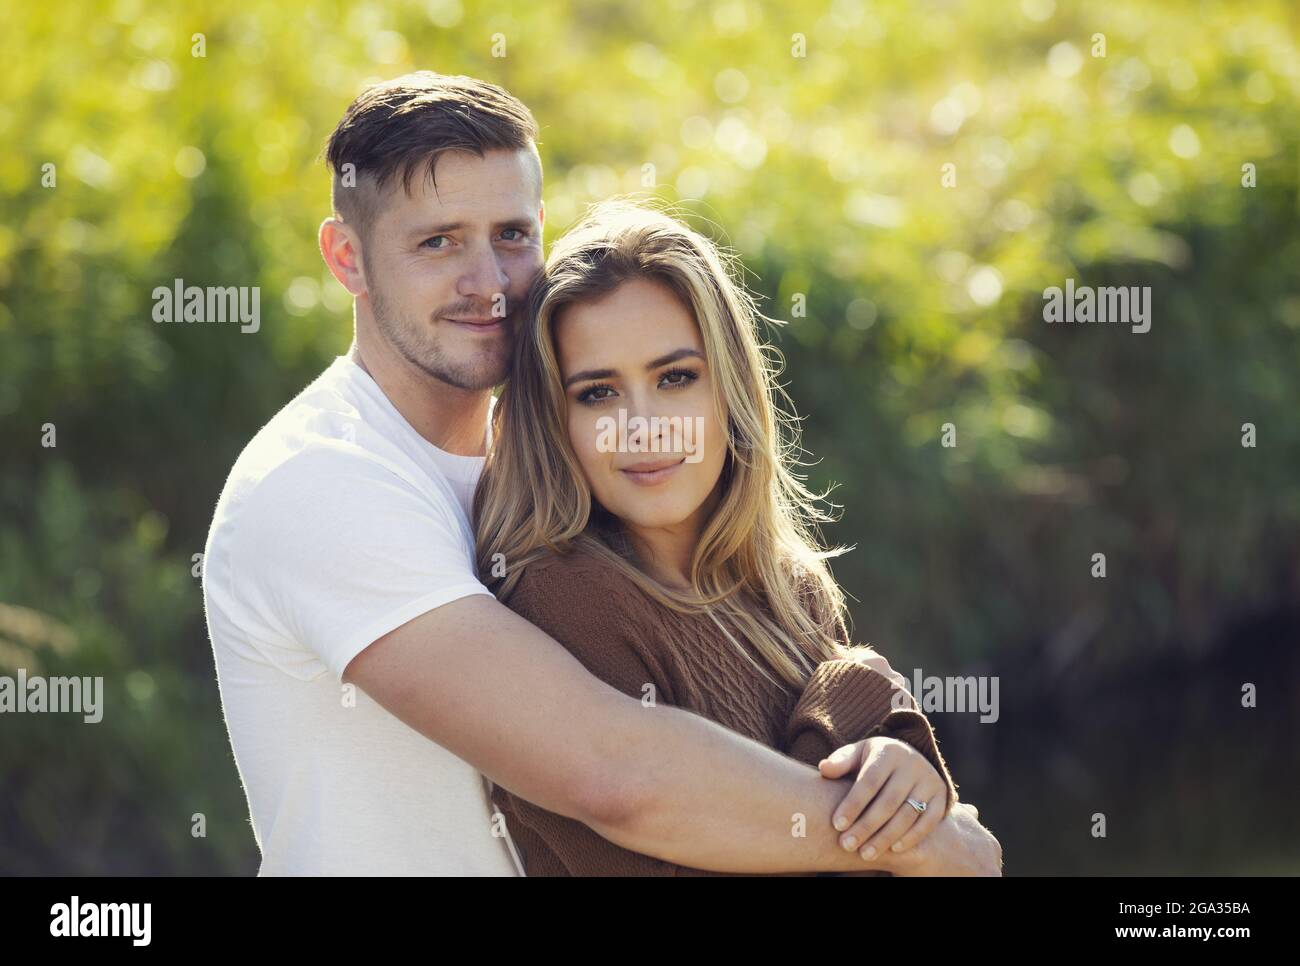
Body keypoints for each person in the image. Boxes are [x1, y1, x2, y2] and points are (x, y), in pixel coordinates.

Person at [201, 70, 1002, 876]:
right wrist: (925, 844)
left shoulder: (561, 467)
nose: (488, 284)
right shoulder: (319, 482)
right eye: (438, 242)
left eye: (510, 235)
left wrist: (877, 728)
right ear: (348, 257)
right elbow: (614, 775)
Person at [474, 200, 959, 875]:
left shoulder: (789, 589)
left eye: (675, 378)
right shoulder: (564, 598)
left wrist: (900, 770)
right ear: (557, 421)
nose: (644, 427)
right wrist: (855, 692)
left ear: (729, 390)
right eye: (597, 393)